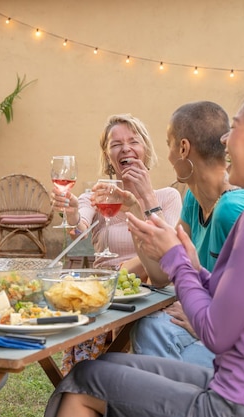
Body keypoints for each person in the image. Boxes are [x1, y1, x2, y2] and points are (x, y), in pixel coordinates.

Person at [44, 84, 244, 417]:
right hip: (241, 385)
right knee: (103, 364)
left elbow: (216, 333)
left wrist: (178, 262)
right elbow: (239, 301)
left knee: (82, 383)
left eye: (235, 128)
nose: (223, 140)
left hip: (242, 402)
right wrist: (196, 270)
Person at [51, 114, 182, 373]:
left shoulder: (167, 197)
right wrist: (72, 212)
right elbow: (79, 231)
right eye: (115, 144)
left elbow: (166, 251)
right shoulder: (97, 195)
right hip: (106, 292)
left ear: (145, 149)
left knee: (154, 257)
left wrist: (143, 199)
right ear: (108, 155)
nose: (125, 148)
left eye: (133, 141)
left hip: (148, 290)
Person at [130, 101, 244, 368]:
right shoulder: (193, 200)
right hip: (206, 318)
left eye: (168, 144)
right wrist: (142, 209)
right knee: (149, 327)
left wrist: (208, 326)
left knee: (152, 331)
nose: (168, 156)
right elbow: (162, 275)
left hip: (235, 343)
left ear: (183, 148)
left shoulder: (234, 209)